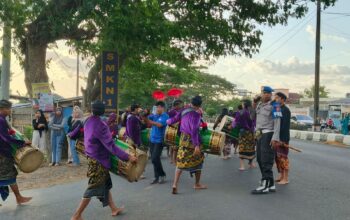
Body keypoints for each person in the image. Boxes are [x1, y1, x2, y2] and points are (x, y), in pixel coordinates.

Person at [71, 101, 137, 220]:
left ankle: (114, 209)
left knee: (106, 185)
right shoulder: (101, 125)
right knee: (93, 187)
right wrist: (128, 157)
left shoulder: (87, 120)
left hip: (92, 156)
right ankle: (76, 215)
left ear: (92, 110)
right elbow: (111, 145)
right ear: (103, 111)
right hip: (99, 160)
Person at [167, 96, 207, 194]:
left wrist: (167, 122)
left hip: (183, 140)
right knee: (199, 161)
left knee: (180, 162)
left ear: (191, 103)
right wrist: (196, 145)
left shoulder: (183, 111)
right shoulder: (196, 115)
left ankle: (175, 184)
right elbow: (194, 130)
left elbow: (171, 121)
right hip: (193, 141)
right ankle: (197, 184)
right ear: (199, 105)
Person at [0, 100, 32, 205]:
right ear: (1, 109)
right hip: (3, 154)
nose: (10, 110)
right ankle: (19, 198)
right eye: (8, 108)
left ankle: (19, 197)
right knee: (8, 176)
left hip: (3, 152)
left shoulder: (3, 119)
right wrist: (22, 142)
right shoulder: (0, 120)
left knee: (8, 175)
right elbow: (5, 138)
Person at [251, 86, 281, 195]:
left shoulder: (275, 105)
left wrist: (275, 138)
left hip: (269, 134)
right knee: (259, 159)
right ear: (261, 94)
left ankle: (264, 185)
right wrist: (254, 103)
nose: (267, 95)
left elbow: (278, 122)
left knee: (266, 160)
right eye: (265, 93)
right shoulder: (259, 105)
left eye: (269, 93)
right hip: (259, 135)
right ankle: (271, 184)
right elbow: (252, 117)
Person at [145, 101, 169, 184]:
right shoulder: (154, 115)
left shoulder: (165, 116)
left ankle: (162, 174)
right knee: (154, 159)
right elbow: (146, 121)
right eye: (156, 107)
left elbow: (159, 125)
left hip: (159, 140)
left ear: (162, 108)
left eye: (158, 107)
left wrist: (149, 121)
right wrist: (144, 115)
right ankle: (156, 177)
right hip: (152, 139)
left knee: (155, 158)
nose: (157, 109)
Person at [232, 100, 256, 170]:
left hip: (243, 132)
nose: (242, 105)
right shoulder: (253, 111)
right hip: (251, 132)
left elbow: (236, 121)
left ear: (244, 104)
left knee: (242, 148)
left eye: (242, 103)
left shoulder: (240, 112)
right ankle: (251, 164)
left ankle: (242, 166)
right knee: (251, 148)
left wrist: (232, 126)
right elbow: (254, 122)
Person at [274, 92, 291, 185]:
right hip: (276, 137)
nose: (275, 99)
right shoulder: (277, 108)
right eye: (275, 97)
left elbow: (284, 126)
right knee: (277, 158)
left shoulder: (286, 110)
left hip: (283, 138)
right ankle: (281, 176)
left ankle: (286, 178)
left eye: (277, 98)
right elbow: (276, 124)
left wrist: (282, 140)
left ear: (282, 99)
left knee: (283, 157)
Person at [167, 99, 184, 164]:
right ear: (176, 105)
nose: (180, 106)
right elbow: (170, 120)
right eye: (179, 105)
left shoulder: (178, 111)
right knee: (174, 146)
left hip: (178, 128)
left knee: (174, 145)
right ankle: (173, 160)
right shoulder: (172, 111)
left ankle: (174, 159)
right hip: (173, 129)